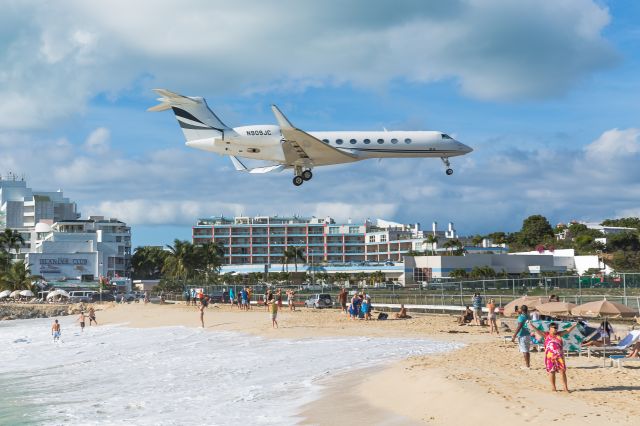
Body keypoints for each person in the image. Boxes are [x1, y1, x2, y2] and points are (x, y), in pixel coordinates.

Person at [528, 321, 578, 392]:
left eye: (556, 328)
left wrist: (574, 325)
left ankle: (565, 388)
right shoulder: (546, 335)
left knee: (562, 371)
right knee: (552, 372)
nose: (555, 329)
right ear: (550, 328)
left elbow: (567, 330)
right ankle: (553, 387)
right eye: (554, 327)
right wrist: (532, 326)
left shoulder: (559, 335)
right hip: (550, 357)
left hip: (559, 356)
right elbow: (538, 331)